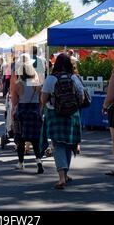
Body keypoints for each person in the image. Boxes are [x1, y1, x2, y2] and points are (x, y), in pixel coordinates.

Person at [41, 53, 84, 189]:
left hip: (55, 113)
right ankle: (65, 175)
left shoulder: (51, 79)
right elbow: (82, 97)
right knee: (69, 144)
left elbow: (43, 99)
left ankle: (61, 178)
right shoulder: (74, 78)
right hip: (72, 114)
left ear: (56, 64)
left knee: (58, 144)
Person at [11, 53, 43, 174]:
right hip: (34, 111)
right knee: (35, 140)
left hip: (22, 111)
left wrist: (14, 110)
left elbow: (14, 101)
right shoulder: (37, 83)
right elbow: (41, 100)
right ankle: (39, 161)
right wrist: (39, 110)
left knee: (21, 139)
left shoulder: (19, 84)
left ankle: (21, 163)